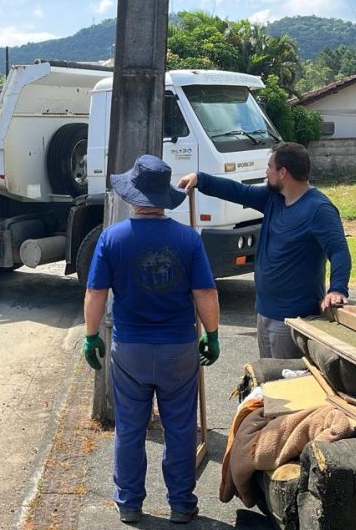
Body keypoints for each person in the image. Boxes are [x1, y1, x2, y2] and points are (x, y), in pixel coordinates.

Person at [83, 154, 220, 525]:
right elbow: (206, 293)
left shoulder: (112, 238)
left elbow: (95, 293)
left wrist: (91, 336)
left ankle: (129, 502)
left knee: (130, 428)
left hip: (131, 349)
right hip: (179, 348)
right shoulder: (188, 239)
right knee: (180, 428)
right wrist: (212, 334)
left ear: (132, 195)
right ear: (163, 199)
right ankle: (181, 503)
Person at [178, 142, 351, 359]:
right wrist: (200, 179)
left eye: (270, 167)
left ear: (283, 172)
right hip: (264, 313)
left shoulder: (319, 209)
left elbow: (339, 251)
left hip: (293, 320)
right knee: (267, 375)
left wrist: (337, 289)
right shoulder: (273, 198)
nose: (266, 172)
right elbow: (238, 191)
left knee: (286, 378)